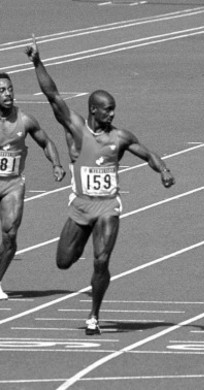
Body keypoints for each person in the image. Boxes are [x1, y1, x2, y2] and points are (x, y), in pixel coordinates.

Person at [25, 37, 175, 334]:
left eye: (114, 109)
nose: (112, 115)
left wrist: (164, 170)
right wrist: (36, 62)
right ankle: (84, 252)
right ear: (93, 110)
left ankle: (93, 315)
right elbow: (53, 96)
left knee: (101, 259)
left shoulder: (119, 138)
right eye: (107, 110)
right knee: (64, 261)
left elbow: (147, 153)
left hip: (108, 205)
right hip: (81, 204)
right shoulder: (77, 129)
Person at [0, 72, 66, 300]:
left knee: (9, 233)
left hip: (12, 184)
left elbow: (47, 142)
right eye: (1, 91)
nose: (8, 94)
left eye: (10, 89)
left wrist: (56, 164)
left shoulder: (24, 120)